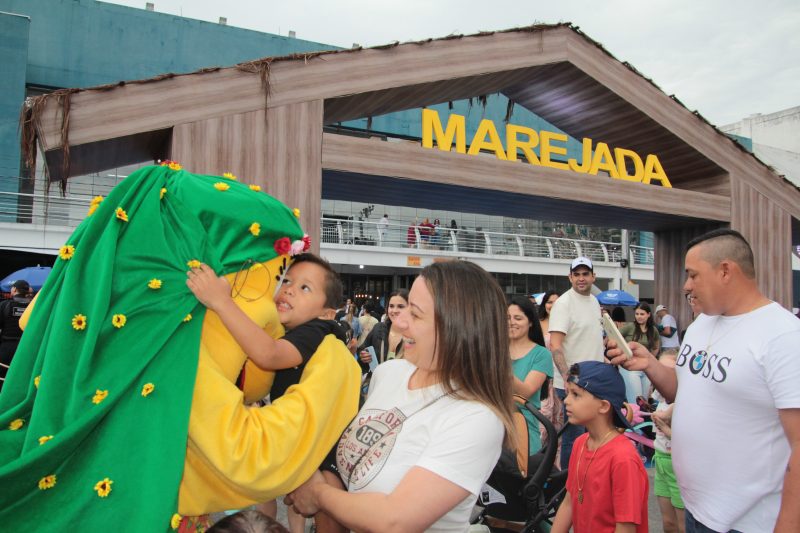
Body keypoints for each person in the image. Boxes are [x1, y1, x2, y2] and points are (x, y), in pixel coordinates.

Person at [286, 260, 517, 532]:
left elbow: (395, 520)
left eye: (416, 314)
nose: (400, 321)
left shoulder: (476, 418)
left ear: (458, 328)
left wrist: (318, 495)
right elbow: (351, 466)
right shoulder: (389, 374)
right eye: (404, 308)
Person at [607, 229, 800, 533]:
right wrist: (650, 365)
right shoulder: (701, 326)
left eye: (693, 275)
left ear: (725, 270)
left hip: (749, 523)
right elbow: (687, 392)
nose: (686, 286)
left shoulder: (783, 336)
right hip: (696, 510)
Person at [187, 253, 355, 533]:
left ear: (327, 312)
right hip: (321, 444)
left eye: (305, 288)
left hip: (329, 448)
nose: (289, 288)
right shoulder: (295, 332)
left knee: (329, 509)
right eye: (286, 280)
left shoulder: (317, 330)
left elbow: (268, 354)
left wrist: (221, 302)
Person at [551, 361, 649, 533]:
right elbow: (569, 502)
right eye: (567, 393)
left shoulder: (623, 458)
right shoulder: (581, 443)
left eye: (576, 395)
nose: (566, 401)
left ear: (604, 406)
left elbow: (625, 526)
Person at [549, 257, 605, 469]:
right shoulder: (564, 303)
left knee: (592, 435)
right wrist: (567, 378)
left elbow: (591, 339)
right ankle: (568, 486)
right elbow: (555, 345)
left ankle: (585, 480)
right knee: (574, 437)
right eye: (577, 274)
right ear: (570, 277)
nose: (581, 278)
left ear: (593, 276)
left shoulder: (594, 301)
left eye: (585, 274)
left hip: (594, 381)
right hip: (573, 384)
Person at [508, 296, 553, 455]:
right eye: (507, 317)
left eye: (518, 318)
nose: (511, 322)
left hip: (523, 428)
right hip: (494, 425)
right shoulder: (496, 349)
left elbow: (526, 391)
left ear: (531, 322)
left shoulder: (541, 354)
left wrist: (500, 365)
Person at [650, 348, 685, 533]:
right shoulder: (659, 395)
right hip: (661, 459)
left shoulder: (685, 400)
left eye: (670, 370)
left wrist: (666, 428)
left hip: (677, 464)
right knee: (668, 523)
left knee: (682, 523)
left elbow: (690, 439)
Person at [537, 289, 563, 464]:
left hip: (560, 377)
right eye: (549, 302)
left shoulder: (563, 324)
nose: (552, 305)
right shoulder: (537, 324)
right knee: (543, 417)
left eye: (556, 302)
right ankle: (536, 458)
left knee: (559, 421)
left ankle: (556, 464)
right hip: (542, 377)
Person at [357, 289, 409, 371]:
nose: (394, 311)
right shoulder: (378, 328)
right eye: (391, 306)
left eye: (400, 306)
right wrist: (363, 356)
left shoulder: (416, 336)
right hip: (378, 382)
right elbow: (362, 351)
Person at [618, 303, 659, 403]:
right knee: (635, 400)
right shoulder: (629, 327)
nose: (639, 316)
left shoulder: (653, 330)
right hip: (630, 367)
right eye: (637, 314)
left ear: (648, 314)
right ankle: (633, 418)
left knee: (644, 401)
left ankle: (641, 418)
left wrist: (649, 359)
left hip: (646, 368)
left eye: (642, 314)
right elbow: (614, 337)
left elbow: (656, 347)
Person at [0, 280, 33, 392]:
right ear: (28, 291)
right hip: (27, 349)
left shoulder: (5, 305)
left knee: (2, 380)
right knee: (23, 379)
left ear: (14, 289)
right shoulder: (33, 307)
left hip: (6, 350)